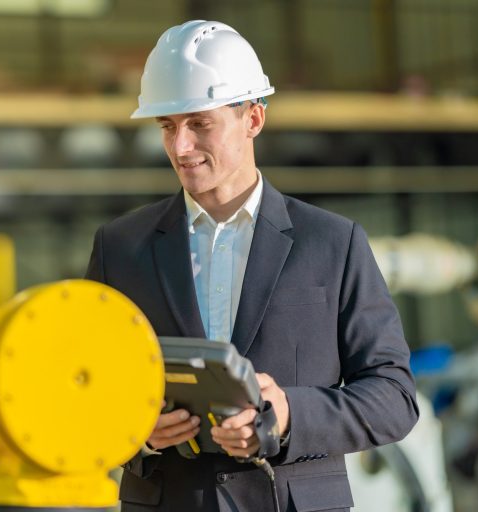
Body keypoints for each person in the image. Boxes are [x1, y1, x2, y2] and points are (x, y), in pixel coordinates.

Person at [85, 20, 419, 512]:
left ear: (254, 119)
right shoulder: (121, 247)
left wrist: (289, 415)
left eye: (199, 124)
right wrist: (136, 434)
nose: (180, 147)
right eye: (167, 127)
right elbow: (81, 386)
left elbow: (394, 397)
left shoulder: (332, 243)